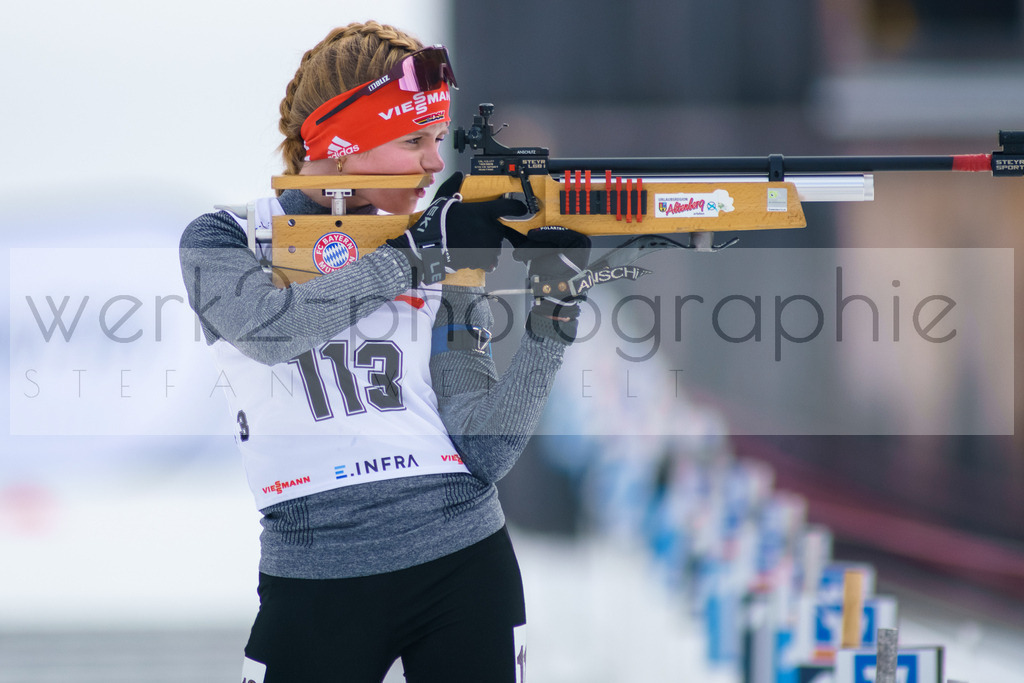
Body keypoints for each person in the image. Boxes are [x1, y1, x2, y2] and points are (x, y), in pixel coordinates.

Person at [179, 21, 590, 683]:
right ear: (344, 148)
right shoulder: (227, 238)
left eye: (437, 140)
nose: (435, 163)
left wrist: (553, 315)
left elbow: (483, 449)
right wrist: (417, 255)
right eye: (414, 141)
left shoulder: (442, 249)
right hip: (314, 576)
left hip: (463, 563)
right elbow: (269, 331)